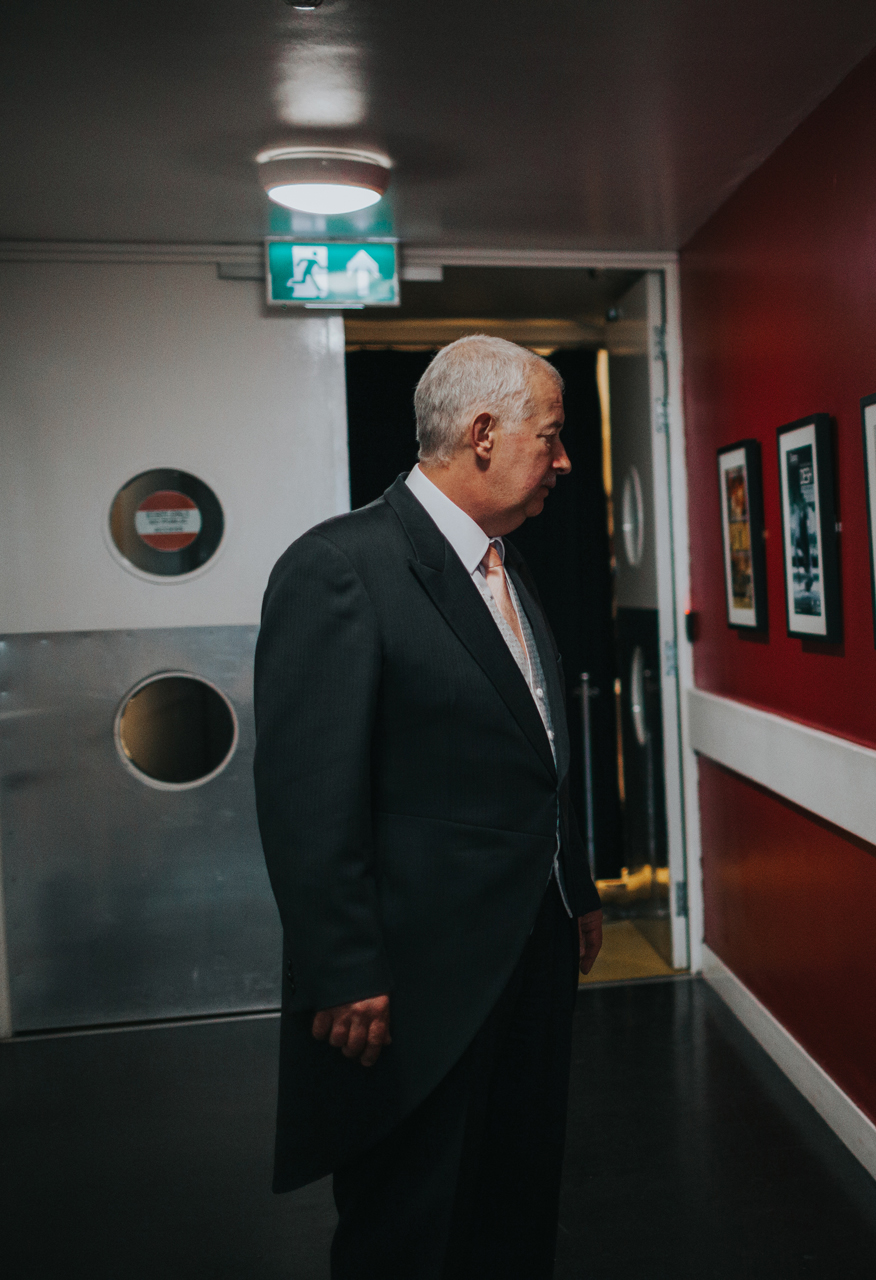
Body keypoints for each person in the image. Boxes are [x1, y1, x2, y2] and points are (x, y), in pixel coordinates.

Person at [254, 334, 604, 1278]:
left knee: (512, 1200)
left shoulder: (505, 563)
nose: (565, 462)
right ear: (483, 434)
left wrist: (575, 888)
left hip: (529, 951)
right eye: (553, 436)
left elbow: (532, 745)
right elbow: (306, 794)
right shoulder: (342, 567)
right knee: (411, 1225)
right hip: (410, 982)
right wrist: (343, 969)